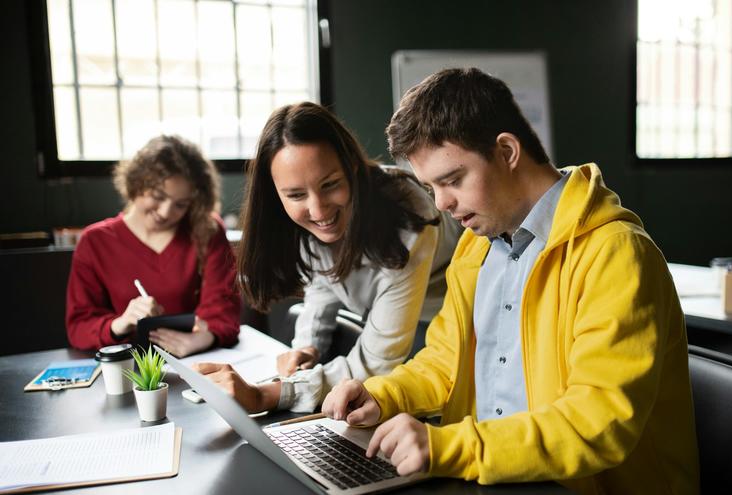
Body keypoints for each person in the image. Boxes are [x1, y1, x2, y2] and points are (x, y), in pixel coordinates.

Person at [321, 68, 700, 495]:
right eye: (431, 187)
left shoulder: (616, 254)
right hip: (497, 492)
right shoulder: (476, 247)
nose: (442, 204)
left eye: (453, 179)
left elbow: (598, 422)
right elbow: (446, 360)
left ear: (506, 151)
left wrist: (448, 448)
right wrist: (383, 396)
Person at [195, 102, 461, 414]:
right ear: (276, 196)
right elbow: (323, 284)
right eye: (296, 195)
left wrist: (270, 394)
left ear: (353, 168)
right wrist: (307, 347)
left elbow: (376, 362)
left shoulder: (408, 215)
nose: (319, 211)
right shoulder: (303, 227)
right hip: (401, 326)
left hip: (451, 318)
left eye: (330, 185)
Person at [66, 135, 240, 356]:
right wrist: (120, 323)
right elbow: (79, 327)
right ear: (136, 183)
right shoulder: (94, 242)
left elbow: (223, 310)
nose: (166, 212)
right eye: (158, 196)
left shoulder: (207, 230)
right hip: (125, 366)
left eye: (181, 204)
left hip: (195, 360)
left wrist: (204, 337)